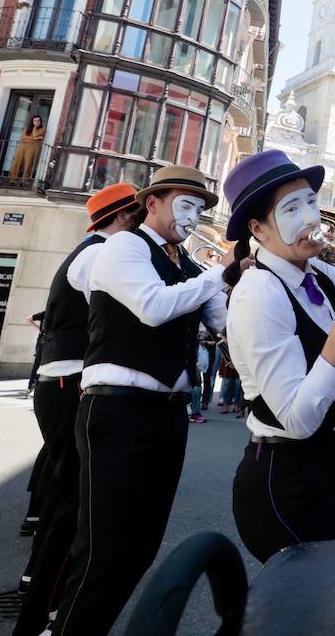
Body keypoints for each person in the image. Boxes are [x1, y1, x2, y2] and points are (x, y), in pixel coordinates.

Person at [46, 166, 229, 635]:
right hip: (117, 409)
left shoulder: (193, 267)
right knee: (105, 550)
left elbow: (224, 327)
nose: (194, 217)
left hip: (169, 414)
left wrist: (254, 279)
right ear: (152, 203)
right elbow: (152, 307)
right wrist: (220, 275)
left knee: (142, 548)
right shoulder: (123, 246)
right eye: (184, 205)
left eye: (199, 209)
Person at [220, 150, 335, 563]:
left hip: (325, 470)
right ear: (258, 230)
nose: (310, 219)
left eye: (311, 203)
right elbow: (298, 419)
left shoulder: (323, 274)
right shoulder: (258, 291)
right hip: (281, 481)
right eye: (291, 208)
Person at [13, 183, 141, 636]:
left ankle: (38, 586)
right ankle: (47, 607)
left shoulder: (93, 250)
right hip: (69, 381)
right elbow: (120, 313)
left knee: (66, 493)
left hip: (62, 380)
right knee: (75, 501)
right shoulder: (100, 255)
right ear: (126, 215)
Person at [11, 114, 45, 182]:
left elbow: (35, 135)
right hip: (22, 146)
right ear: (32, 121)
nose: (36, 122)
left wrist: (35, 129)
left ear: (40, 122)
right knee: (17, 162)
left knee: (28, 163)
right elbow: (23, 137)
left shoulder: (43, 129)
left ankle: (24, 181)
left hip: (33, 147)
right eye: (35, 121)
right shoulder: (27, 128)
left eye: (38, 121)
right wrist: (35, 138)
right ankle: (13, 180)